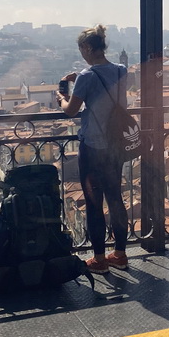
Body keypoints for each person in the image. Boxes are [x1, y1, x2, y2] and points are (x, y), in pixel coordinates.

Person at [57, 25, 129, 274]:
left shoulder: (87, 77)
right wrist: (82, 82)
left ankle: (99, 259)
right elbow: (105, 89)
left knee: (94, 202)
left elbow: (71, 110)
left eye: (82, 50)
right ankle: (120, 254)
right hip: (117, 144)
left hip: (94, 146)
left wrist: (61, 97)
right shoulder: (121, 70)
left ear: (87, 48)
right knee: (116, 198)